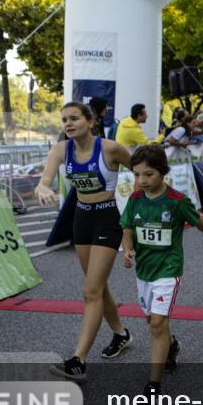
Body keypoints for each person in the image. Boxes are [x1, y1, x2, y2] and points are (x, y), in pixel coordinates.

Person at [120, 145, 203, 404]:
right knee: (153, 320)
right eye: (137, 175)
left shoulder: (176, 201)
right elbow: (127, 227)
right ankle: (172, 346)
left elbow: (201, 224)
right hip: (144, 272)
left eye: (148, 174)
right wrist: (127, 251)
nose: (141, 180)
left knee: (156, 325)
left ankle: (153, 387)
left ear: (163, 172)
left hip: (168, 270)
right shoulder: (135, 199)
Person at [35, 102, 133, 380]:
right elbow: (45, 179)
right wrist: (42, 187)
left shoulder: (110, 148)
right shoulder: (60, 150)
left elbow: (141, 170)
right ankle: (120, 333)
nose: (68, 123)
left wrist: (140, 207)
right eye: (64, 119)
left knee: (90, 290)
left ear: (90, 121)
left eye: (74, 118)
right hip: (82, 220)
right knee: (98, 287)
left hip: (108, 219)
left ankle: (78, 360)